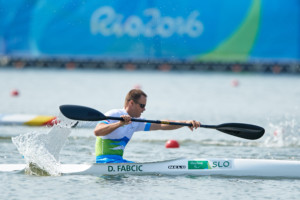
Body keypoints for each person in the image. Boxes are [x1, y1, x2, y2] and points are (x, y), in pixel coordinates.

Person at [94, 89, 201, 163]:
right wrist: (120, 123)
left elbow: (161, 124)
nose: (144, 109)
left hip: (118, 163)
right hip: (104, 163)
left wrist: (185, 122)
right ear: (131, 103)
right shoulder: (114, 114)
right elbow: (97, 131)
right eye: (142, 106)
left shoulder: (135, 121)